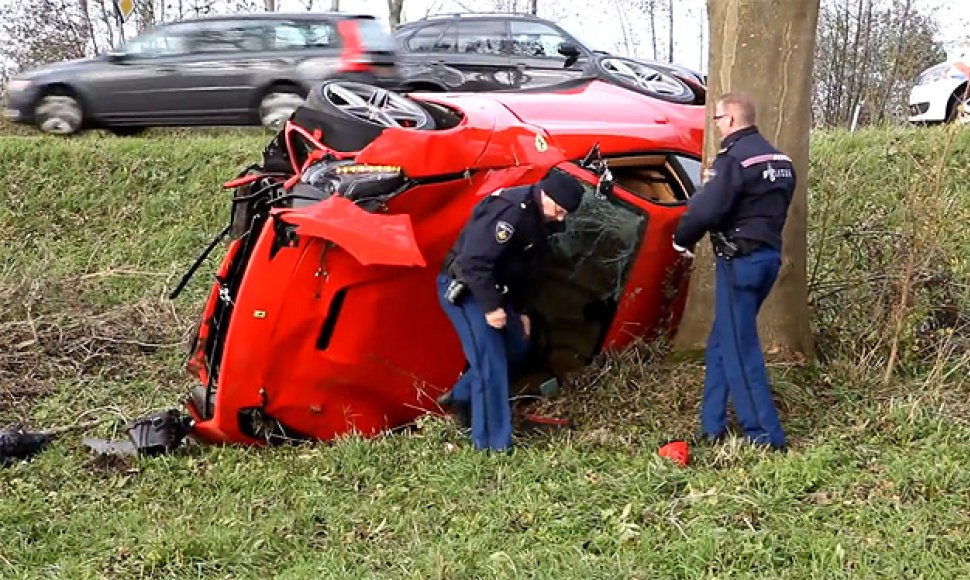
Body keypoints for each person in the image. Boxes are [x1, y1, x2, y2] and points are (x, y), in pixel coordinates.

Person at [673, 92, 796, 451]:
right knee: (722, 341)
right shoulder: (780, 159)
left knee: (741, 348)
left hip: (739, 265)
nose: (716, 126)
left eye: (716, 120)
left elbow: (704, 210)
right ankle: (711, 426)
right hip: (768, 259)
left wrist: (682, 240)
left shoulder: (734, 159)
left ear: (728, 121)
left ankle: (765, 436)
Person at [436, 170, 585, 451]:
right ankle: (492, 445)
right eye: (560, 210)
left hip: (500, 292)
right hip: (468, 290)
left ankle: (462, 396)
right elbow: (474, 263)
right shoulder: (507, 213)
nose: (561, 218)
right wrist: (492, 309)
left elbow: (528, 270)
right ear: (546, 195)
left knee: (517, 347)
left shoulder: (541, 218)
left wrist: (522, 311)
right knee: (491, 364)